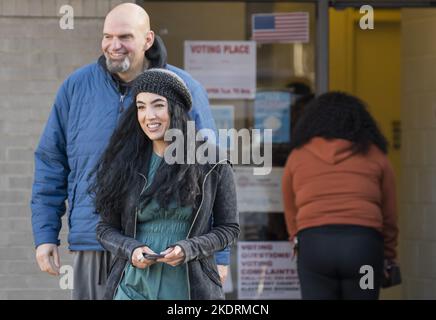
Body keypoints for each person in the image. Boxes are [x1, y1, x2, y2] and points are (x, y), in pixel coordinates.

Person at [30, 3, 229, 300]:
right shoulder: (76, 87)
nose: (114, 45)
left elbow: (211, 169)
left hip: (167, 250)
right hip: (95, 243)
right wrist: (46, 234)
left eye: (124, 37)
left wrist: (219, 255)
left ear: (147, 40)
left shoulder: (184, 88)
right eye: (107, 36)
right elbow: (51, 162)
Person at [91, 68, 239, 300]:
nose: (148, 115)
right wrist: (131, 249)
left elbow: (229, 228)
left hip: (189, 287)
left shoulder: (213, 162)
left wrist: (189, 249)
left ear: (176, 109)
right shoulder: (124, 162)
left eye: (158, 105)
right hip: (132, 285)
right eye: (141, 106)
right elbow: (104, 229)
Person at [281, 92, 399, 300]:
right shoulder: (375, 155)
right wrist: (388, 255)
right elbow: (389, 213)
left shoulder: (298, 156)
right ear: (361, 122)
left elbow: (290, 208)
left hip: (315, 249)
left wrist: (296, 240)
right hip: (364, 250)